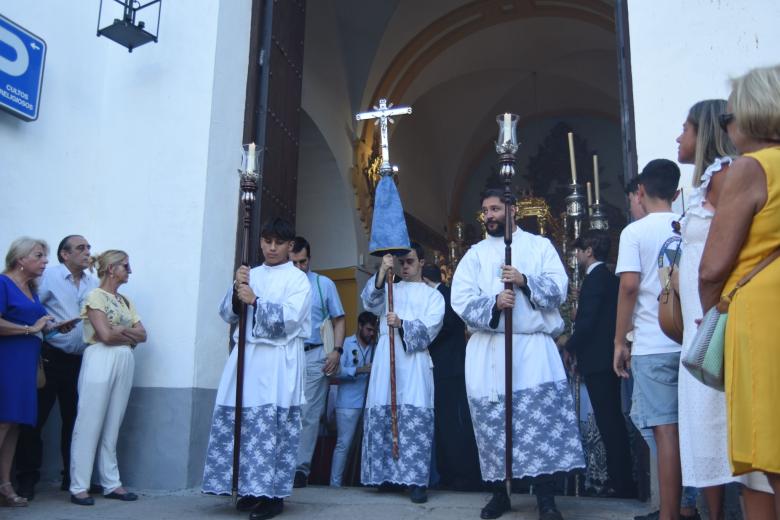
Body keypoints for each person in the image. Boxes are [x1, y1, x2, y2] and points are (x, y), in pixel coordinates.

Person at [451, 189, 584, 520]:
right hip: (490, 349)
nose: (489, 216)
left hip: (533, 349)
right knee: (494, 426)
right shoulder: (475, 254)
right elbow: (461, 299)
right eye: (485, 211)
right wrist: (494, 303)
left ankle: (546, 498)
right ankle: (500, 494)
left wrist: (524, 281)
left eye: (495, 208)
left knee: (538, 425)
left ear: (512, 210)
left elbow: (559, 289)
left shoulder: (539, 247)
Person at [676, 99, 774, 520]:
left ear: (706, 132)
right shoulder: (709, 183)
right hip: (709, 316)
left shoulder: (728, 176)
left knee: (728, 423)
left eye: (686, 128)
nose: (679, 137)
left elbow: (718, 260)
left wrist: (711, 310)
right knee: (712, 425)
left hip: (717, 318)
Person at [699, 64, 780, 515]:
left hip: (763, 315)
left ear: (752, 115)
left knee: (775, 452)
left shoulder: (749, 169)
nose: (727, 129)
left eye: (729, 119)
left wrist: (714, 314)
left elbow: (712, 267)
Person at [202, 217, 311, 520]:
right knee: (245, 423)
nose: (271, 247)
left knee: (271, 426)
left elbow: (290, 318)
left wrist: (257, 302)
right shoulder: (250, 273)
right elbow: (227, 312)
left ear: (290, 246)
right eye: (267, 241)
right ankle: (249, 488)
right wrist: (239, 289)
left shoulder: (297, 279)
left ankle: (273, 494)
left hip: (277, 360)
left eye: (278, 242)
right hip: (247, 357)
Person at [613, 159, 682, 520]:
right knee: (694, 428)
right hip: (690, 340)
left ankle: (670, 514)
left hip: (654, 342)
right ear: (677, 192)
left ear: (640, 191)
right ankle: (693, 509)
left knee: (665, 431)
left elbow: (628, 286)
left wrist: (620, 342)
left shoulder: (635, 232)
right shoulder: (686, 226)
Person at [15, 235, 98, 499]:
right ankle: (26, 479)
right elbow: (30, 305)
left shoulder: (91, 283)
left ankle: (73, 478)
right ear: (65, 254)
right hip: (51, 357)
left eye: (88, 248)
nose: (87, 253)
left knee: (75, 421)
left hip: (80, 361)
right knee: (35, 420)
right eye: (81, 248)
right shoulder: (47, 277)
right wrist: (46, 325)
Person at [361, 243, 444, 504]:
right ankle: (386, 475)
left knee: (414, 413)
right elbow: (369, 302)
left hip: (413, 360)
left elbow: (430, 330)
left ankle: (415, 480)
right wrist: (382, 272)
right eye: (401, 263)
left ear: (422, 262)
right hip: (387, 357)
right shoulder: (390, 289)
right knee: (385, 408)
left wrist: (402, 324)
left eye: (409, 262)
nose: (405, 267)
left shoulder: (433, 296)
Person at [69, 249, 146, 506]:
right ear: (111, 269)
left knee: (114, 422)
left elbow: (143, 334)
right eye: (125, 265)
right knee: (90, 420)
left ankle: (111, 482)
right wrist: (126, 333)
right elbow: (105, 335)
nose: (129, 270)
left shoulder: (125, 300)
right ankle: (79, 485)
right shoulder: (95, 296)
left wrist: (121, 330)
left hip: (124, 358)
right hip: (101, 357)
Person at [565, 229, 634, 498]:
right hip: (607, 359)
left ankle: (622, 483)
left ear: (589, 250)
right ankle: (622, 480)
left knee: (609, 423)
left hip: (598, 361)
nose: (576, 255)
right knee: (612, 421)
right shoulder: (609, 278)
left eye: (579, 250)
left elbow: (587, 321)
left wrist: (570, 346)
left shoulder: (595, 280)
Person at [0, 238, 54, 508]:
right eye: (39, 255)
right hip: (7, 360)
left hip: (26, 361)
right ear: (20, 259)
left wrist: (50, 327)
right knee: (2, 421)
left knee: (15, 424)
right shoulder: (3, 283)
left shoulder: (31, 288)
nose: (45, 261)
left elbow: (35, 323)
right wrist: (30, 329)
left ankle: (4, 486)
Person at [288, 236, 345, 488]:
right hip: (286, 353)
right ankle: (281, 463)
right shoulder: (282, 283)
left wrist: (336, 351)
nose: (299, 268)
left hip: (315, 354)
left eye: (303, 262)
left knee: (308, 413)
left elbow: (339, 319)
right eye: (294, 263)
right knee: (286, 409)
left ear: (309, 259)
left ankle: (300, 469)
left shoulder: (324, 284)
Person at [421, 264, 481, 491]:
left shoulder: (442, 296)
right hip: (447, 367)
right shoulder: (446, 294)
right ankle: (450, 472)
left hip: (447, 367)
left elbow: (443, 328)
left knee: (450, 422)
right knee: (447, 421)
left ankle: (458, 474)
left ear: (426, 281)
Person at [329, 311, 377, 487]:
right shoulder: (346, 344)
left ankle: (365, 482)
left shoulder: (376, 346)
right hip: (348, 403)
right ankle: (335, 485)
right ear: (360, 326)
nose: (371, 334)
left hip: (368, 403)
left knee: (368, 444)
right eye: (369, 330)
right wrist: (360, 370)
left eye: (373, 331)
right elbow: (336, 371)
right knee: (344, 445)